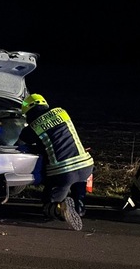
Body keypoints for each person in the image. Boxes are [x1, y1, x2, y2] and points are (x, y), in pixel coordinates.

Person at [18, 94, 94, 231]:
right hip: (85, 166)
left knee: (49, 206)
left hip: (63, 172)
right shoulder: (62, 112)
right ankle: (79, 208)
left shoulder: (33, 127)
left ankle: (60, 209)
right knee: (79, 206)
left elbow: (23, 139)